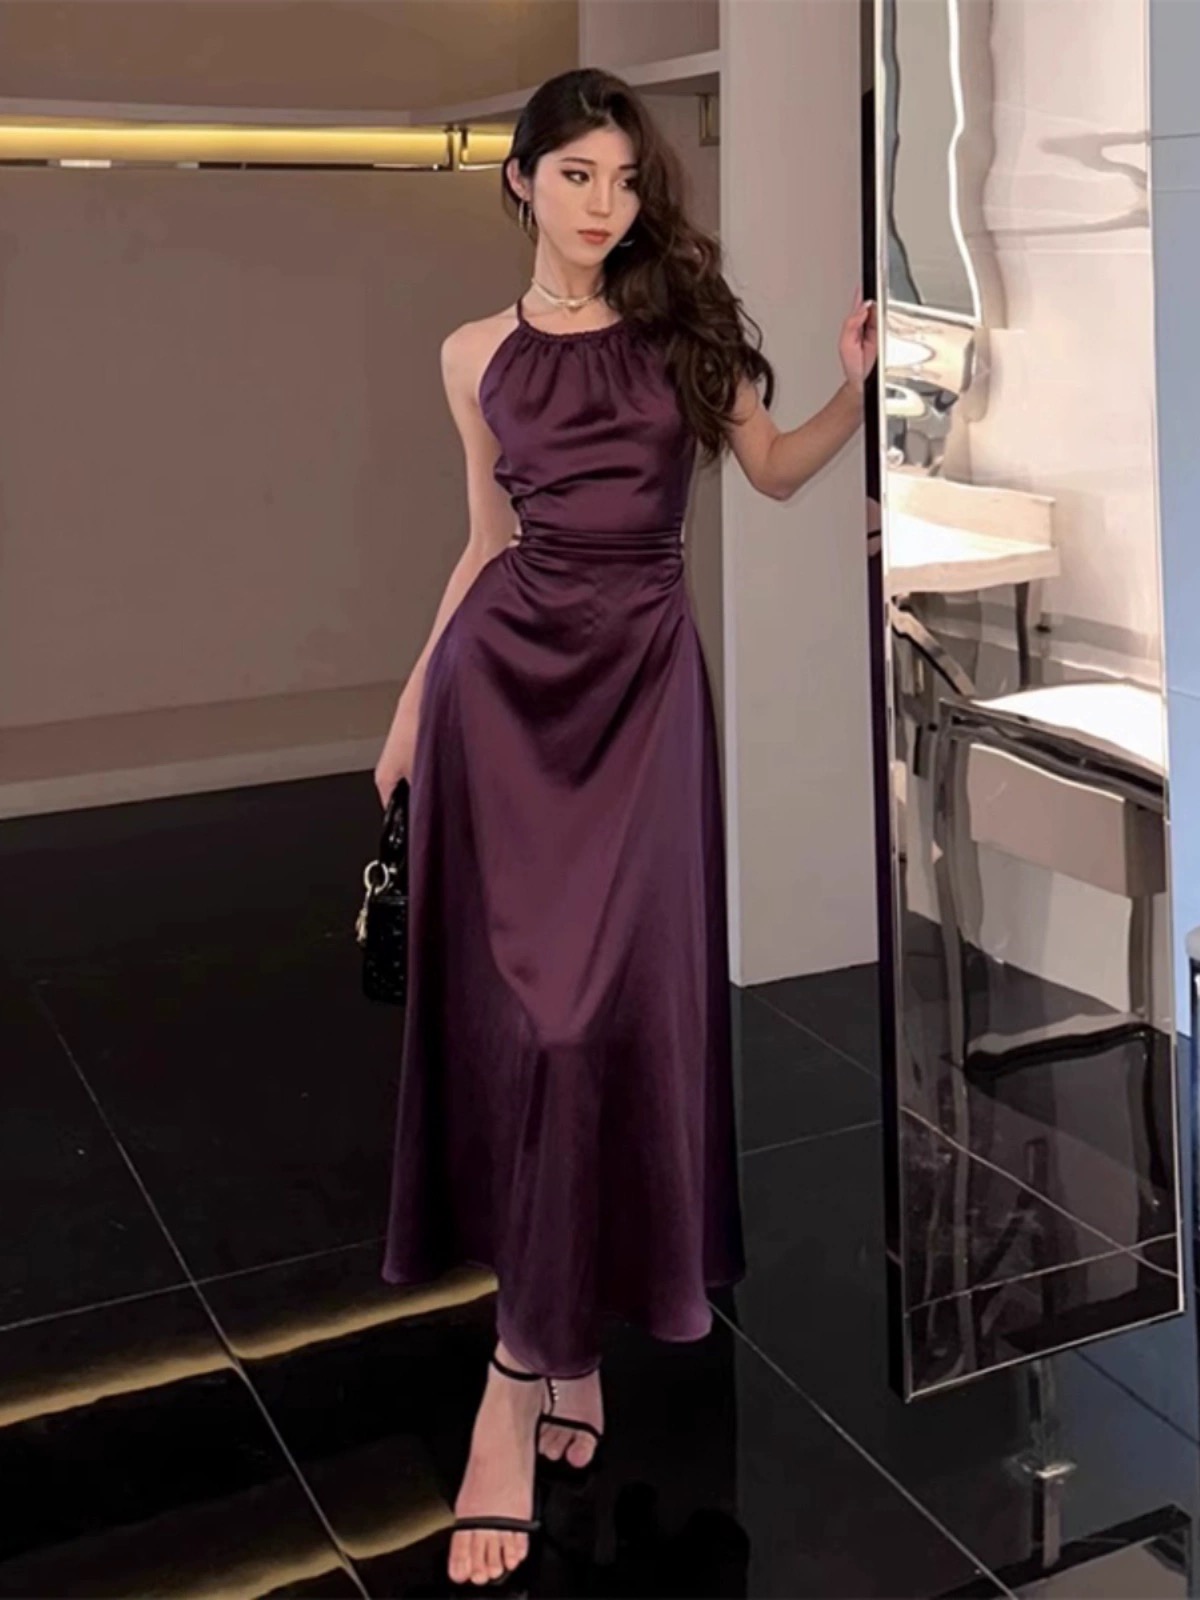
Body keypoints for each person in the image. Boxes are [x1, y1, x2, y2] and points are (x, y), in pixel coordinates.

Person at [372, 67, 877, 1590]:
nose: (606, 202)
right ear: (520, 180)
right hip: (505, 696)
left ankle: (523, 1373)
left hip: (647, 695)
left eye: (626, 178)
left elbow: (772, 472)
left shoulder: (678, 330)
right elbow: (486, 541)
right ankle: (546, 1354)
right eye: (578, 173)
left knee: (607, 1023)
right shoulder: (471, 355)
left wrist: (858, 389)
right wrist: (409, 710)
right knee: (532, 1032)